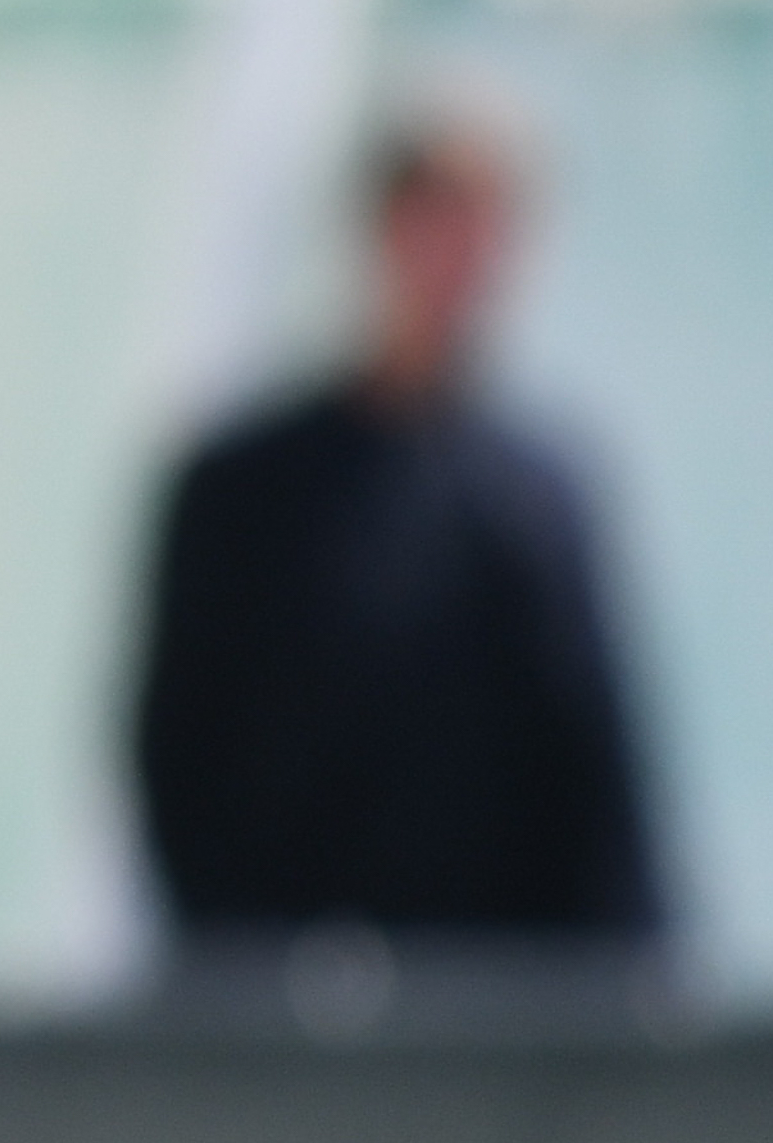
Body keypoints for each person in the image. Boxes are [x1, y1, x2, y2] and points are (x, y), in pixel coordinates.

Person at [129, 98, 663, 952]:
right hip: (283, 992)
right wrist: (240, 968)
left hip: (495, 997)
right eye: (439, 221)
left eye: (487, 231)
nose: (463, 262)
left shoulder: (538, 498)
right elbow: (178, 753)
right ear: (378, 230)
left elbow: (598, 779)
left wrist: (627, 988)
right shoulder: (241, 488)